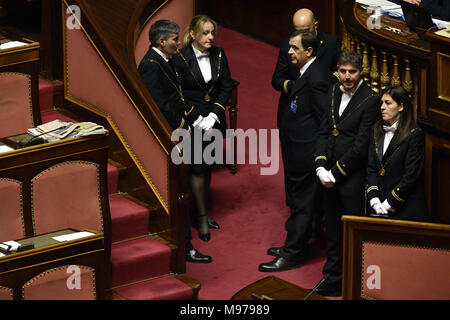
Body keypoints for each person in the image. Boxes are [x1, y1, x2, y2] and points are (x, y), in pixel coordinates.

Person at [258, 31, 338, 272]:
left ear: (309, 51)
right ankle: (296, 245)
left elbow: (325, 121)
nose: (289, 52)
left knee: (303, 205)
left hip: (307, 156)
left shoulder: (317, 79)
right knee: (299, 203)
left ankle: (292, 253)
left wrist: (317, 156)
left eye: (294, 48)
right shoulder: (308, 73)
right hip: (298, 152)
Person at [137, 19, 211, 263]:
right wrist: (184, 128)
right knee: (179, 188)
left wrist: (193, 118)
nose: (179, 44)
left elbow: (176, 97)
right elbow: (159, 105)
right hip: (169, 138)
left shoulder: (164, 60)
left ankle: (187, 241)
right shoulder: (151, 65)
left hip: (178, 132)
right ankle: (185, 246)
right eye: (175, 40)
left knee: (186, 184)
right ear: (162, 41)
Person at [312, 50, 380, 296]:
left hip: (351, 178)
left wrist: (335, 173)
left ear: (361, 72)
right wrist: (320, 166)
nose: (347, 76)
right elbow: (323, 131)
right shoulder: (332, 90)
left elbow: (361, 145)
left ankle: (353, 280)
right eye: (343, 71)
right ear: (336, 71)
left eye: (352, 72)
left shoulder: (370, 99)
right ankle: (331, 277)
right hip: (327, 173)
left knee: (351, 232)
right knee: (331, 227)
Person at [272, 8, 341, 238]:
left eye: (303, 31)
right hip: (293, 109)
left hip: (310, 130)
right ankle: (298, 219)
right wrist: (296, 87)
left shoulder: (330, 44)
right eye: (296, 31)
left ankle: (304, 227)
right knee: (292, 172)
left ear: (315, 26)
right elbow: (277, 79)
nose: (291, 50)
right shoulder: (287, 47)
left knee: (306, 182)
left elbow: (325, 113)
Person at [173, 15, 232, 242]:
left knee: (208, 167)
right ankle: (201, 215)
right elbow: (178, 93)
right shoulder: (180, 58)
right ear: (194, 34)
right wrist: (198, 117)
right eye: (205, 33)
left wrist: (215, 114)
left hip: (214, 121)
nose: (210, 37)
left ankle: (202, 213)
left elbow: (226, 87)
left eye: (212, 33)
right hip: (193, 121)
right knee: (197, 168)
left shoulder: (220, 54)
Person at [367, 85, 428, 221]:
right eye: (381, 103)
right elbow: (371, 168)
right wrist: (374, 200)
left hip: (406, 207)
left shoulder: (414, 134)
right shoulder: (376, 130)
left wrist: (389, 202)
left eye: (388, 103)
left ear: (401, 107)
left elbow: (410, 175)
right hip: (379, 205)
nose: (382, 107)